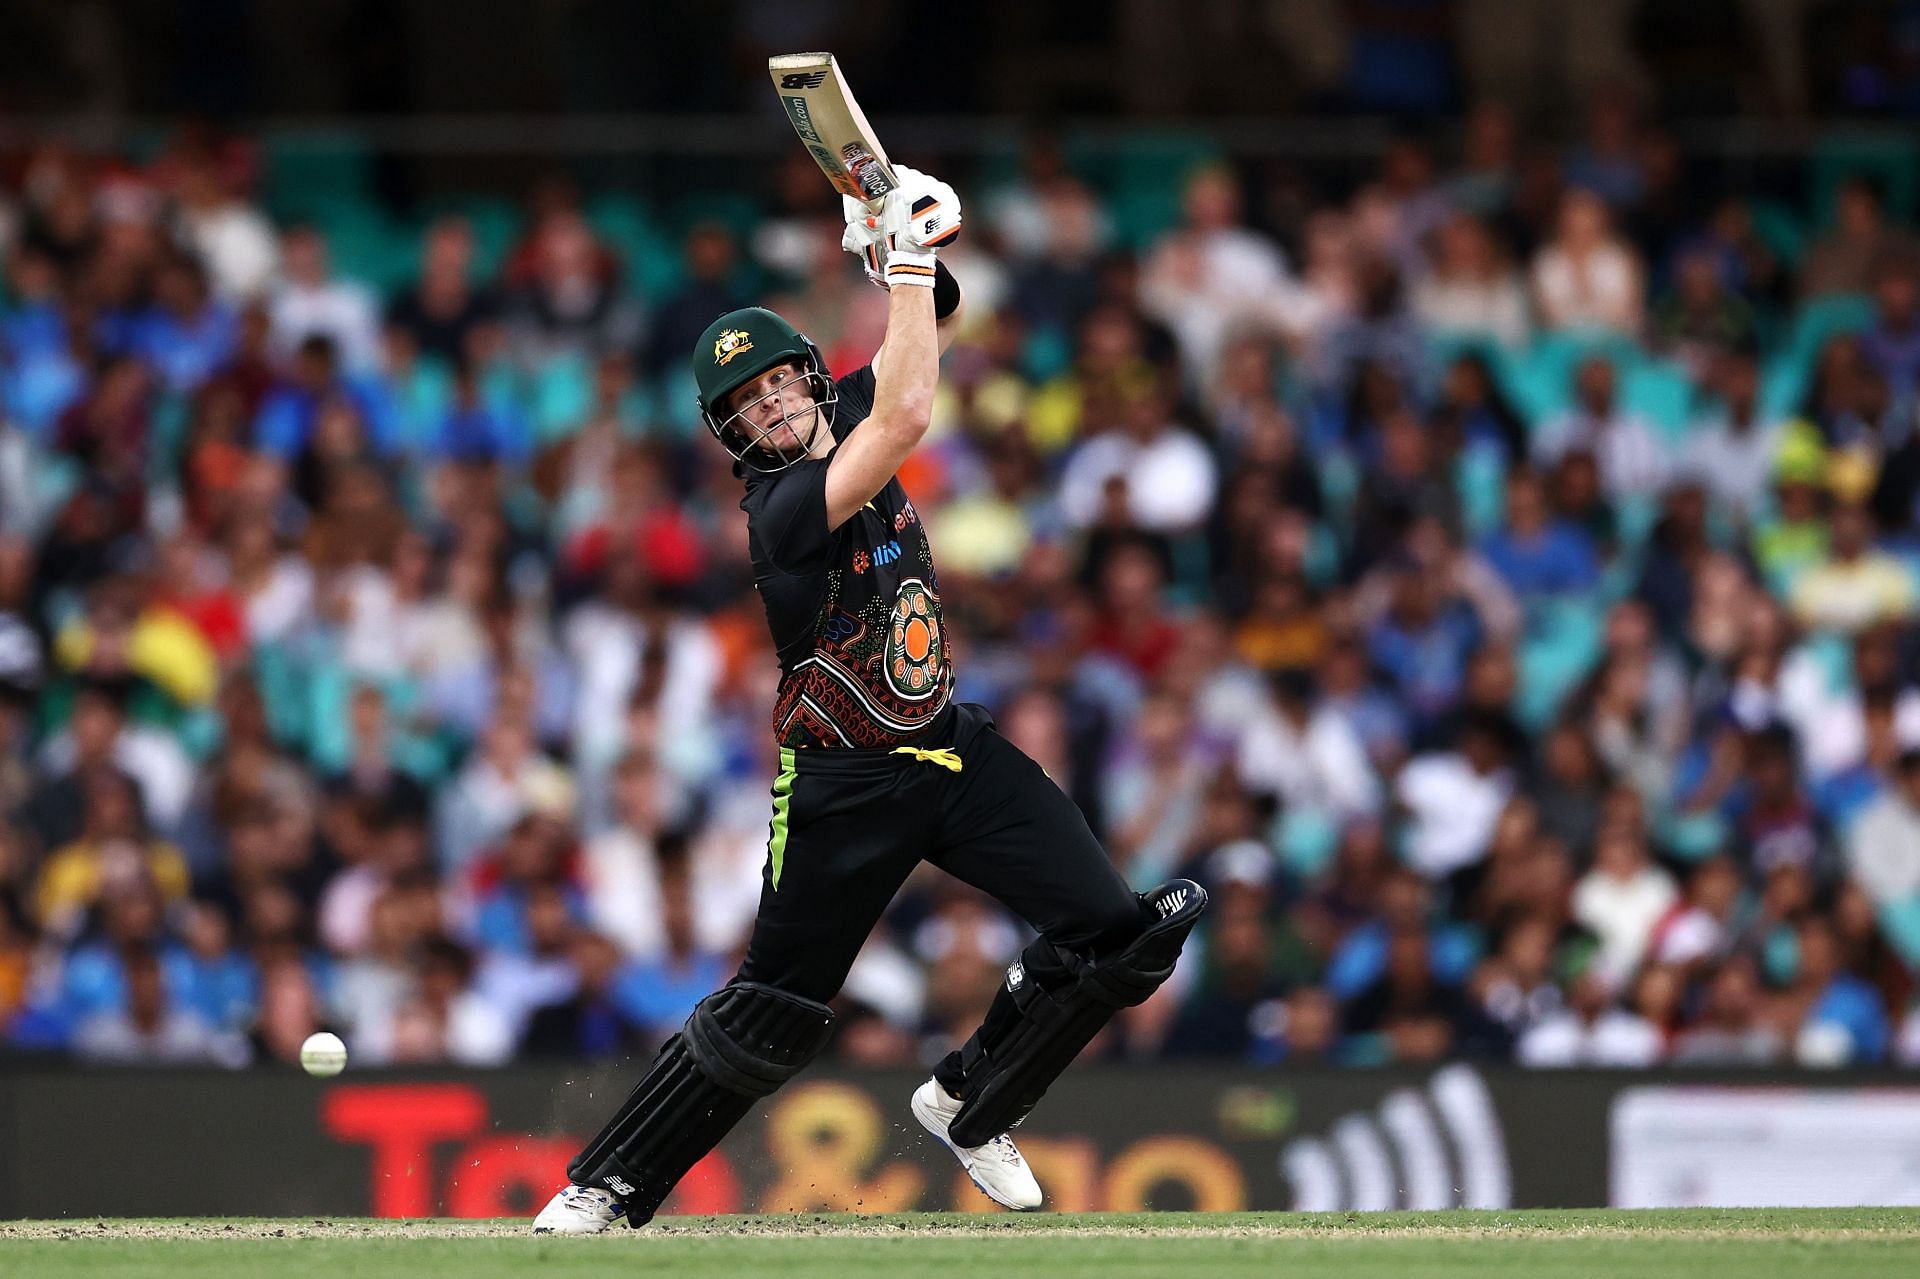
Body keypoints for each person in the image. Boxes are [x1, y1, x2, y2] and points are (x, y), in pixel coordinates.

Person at [532, 168, 1206, 1234]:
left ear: (806, 374)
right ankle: (607, 1185)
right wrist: (894, 256)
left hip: (950, 751)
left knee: (1122, 936)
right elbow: (907, 414)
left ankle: (969, 1106)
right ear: (734, 437)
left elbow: (929, 321)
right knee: (773, 1012)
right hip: (842, 783)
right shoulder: (782, 509)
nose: (773, 407)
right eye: (747, 407)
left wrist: (897, 241)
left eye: (779, 384)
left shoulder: (836, 402)